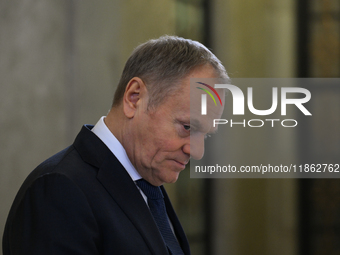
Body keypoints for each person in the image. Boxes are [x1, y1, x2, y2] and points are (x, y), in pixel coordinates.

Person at [3, 35, 228, 255]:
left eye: (205, 135)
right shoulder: (58, 190)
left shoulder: (148, 182)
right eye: (187, 127)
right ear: (134, 98)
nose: (197, 152)